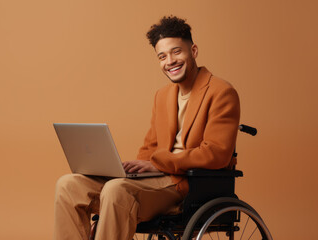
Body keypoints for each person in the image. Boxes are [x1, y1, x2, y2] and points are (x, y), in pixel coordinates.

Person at [53, 16, 240, 240]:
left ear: (194, 51)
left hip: (186, 185)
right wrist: (131, 172)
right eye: (162, 56)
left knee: (116, 190)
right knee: (68, 185)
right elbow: (150, 147)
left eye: (176, 52)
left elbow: (216, 154)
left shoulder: (221, 92)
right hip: (153, 181)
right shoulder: (162, 96)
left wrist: (157, 163)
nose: (169, 61)